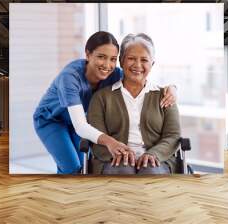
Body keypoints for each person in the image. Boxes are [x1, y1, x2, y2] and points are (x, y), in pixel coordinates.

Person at [33, 31, 177, 174]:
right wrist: (111, 142)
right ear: (88, 54)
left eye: (113, 59)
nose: (107, 65)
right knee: (72, 168)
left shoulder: (113, 74)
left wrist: (172, 88)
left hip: (79, 120)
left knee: (82, 167)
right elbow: (81, 126)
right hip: (52, 120)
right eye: (101, 57)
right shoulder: (70, 78)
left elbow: (140, 78)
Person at [87, 33, 181, 175]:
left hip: (157, 160)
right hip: (113, 160)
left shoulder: (166, 96)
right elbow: (96, 136)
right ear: (121, 61)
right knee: (122, 170)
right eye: (131, 58)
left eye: (144, 60)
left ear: (152, 64)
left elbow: (173, 135)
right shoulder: (101, 97)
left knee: (151, 171)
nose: (137, 65)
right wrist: (121, 153)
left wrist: (154, 154)